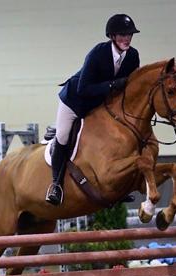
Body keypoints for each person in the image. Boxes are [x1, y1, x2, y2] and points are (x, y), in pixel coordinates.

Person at [46, 14, 141, 205]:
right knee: (63, 136)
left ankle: (119, 185)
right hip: (75, 101)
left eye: (130, 34)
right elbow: (84, 88)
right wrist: (113, 84)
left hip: (100, 105)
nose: (127, 38)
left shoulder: (132, 56)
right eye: (123, 35)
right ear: (112, 36)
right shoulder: (98, 53)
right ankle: (55, 185)